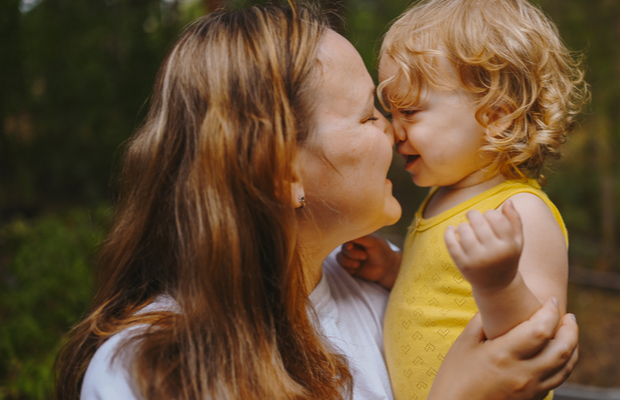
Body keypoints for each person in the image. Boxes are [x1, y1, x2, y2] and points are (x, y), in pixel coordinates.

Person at [54, 3, 579, 400]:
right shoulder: (148, 371)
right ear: (284, 172)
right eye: (371, 115)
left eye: (399, 112)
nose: (393, 135)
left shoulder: (368, 297)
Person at [335, 1, 588, 399]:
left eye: (411, 111)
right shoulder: (441, 198)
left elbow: (539, 343)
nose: (393, 130)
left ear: (497, 115)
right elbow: (444, 290)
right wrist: (393, 270)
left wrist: (499, 283)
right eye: (390, 111)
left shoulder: (521, 211)